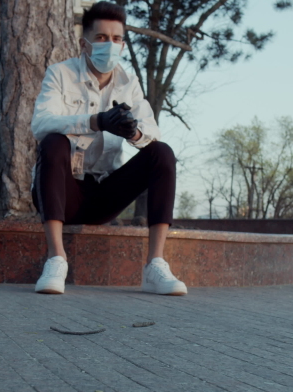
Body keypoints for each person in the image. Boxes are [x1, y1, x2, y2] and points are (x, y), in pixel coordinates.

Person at [30, 1, 186, 296]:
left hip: (104, 194)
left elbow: (152, 131)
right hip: (63, 192)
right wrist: (96, 121)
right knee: (53, 140)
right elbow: (41, 124)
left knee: (162, 152)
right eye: (101, 38)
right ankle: (55, 259)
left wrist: (134, 131)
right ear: (84, 43)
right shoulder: (60, 74)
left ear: (124, 45)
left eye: (116, 39)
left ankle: (155, 264)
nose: (110, 45)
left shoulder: (129, 82)